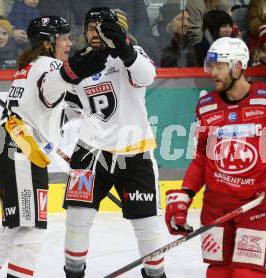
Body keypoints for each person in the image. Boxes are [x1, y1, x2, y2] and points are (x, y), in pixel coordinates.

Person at [0, 16, 106, 278]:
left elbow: (53, 108)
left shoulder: (30, 66)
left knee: (13, 231)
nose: (69, 42)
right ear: (47, 43)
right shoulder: (50, 66)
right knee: (30, 231)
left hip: (14, 148)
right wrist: (82, 68)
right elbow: (62, 86)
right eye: (64, 37)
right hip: (22, 151)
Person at [164, 37, 266, 277]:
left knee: (246, 273)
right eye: (210, 65)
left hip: (257, 206)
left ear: (237, 66)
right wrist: (186, 193)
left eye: (219, 66)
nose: (212, 72)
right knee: (217, 273)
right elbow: (202, 157)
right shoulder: (205, 105)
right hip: (216, 210)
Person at [61, 7, 166, 278]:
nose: (93, 33)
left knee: (147, 228)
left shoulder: (132, 55)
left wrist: (124, 47)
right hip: (89, 153)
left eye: (102, 27)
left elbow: (146, 76)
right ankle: (73, 273)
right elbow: (67, 109)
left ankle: (155, 274)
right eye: (90, 27)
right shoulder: (81, 62)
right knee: (76, 221)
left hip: (136, 153)